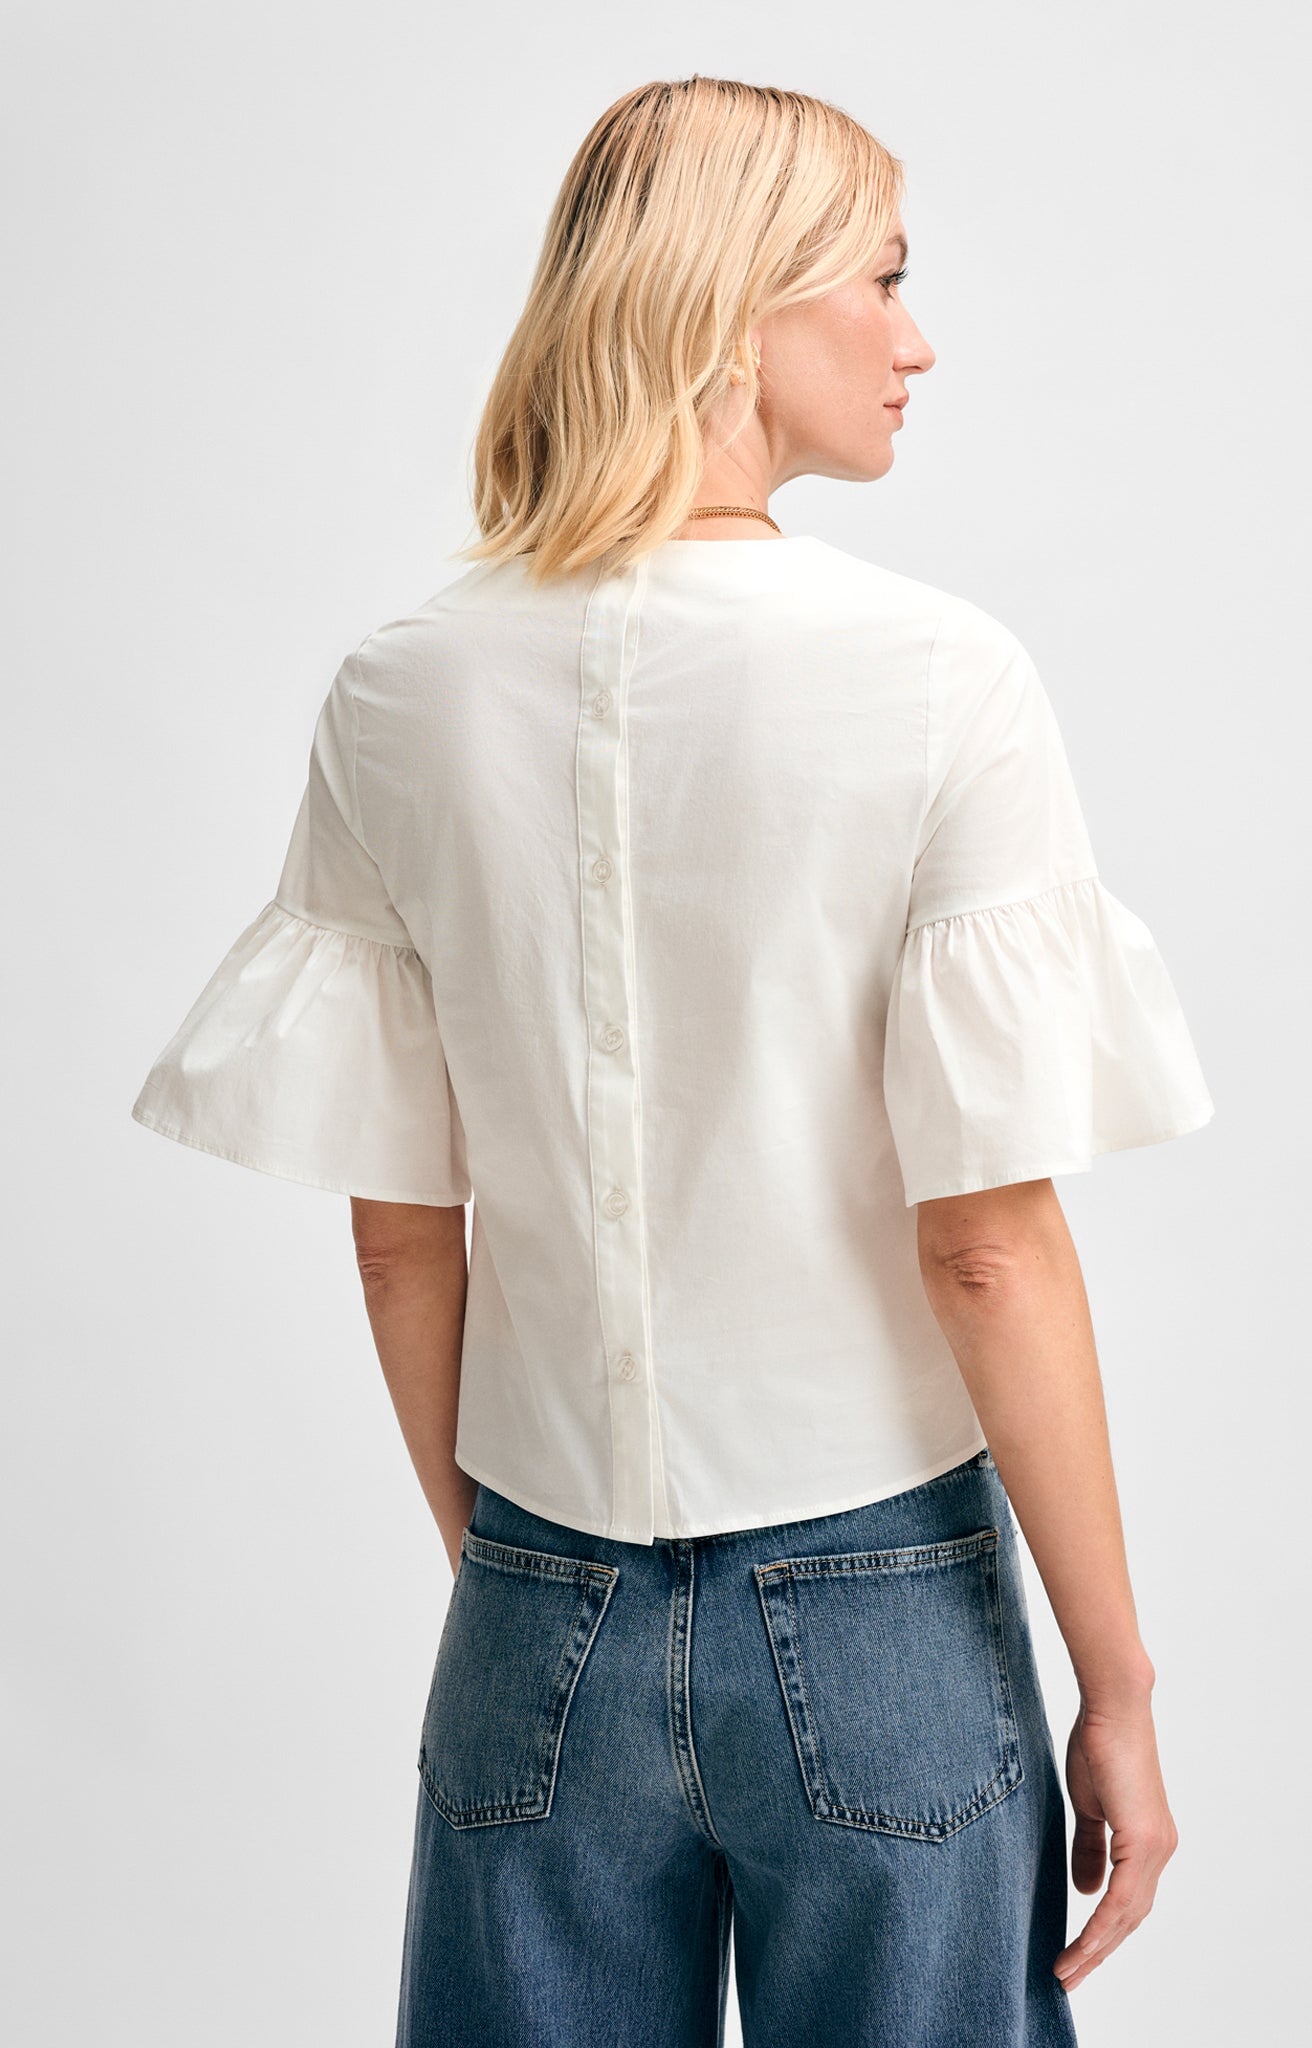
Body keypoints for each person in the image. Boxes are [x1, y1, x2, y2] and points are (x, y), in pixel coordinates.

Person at [130, 75, 1214, 2048]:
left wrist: (532, 1588)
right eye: (882, 279)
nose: (916, 338)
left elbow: (401, 1236)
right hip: (880, 1597)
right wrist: (1119, 1687)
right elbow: (985, 1244)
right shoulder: (942, 680)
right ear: (733, 308)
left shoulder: (399, 690)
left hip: (539, 1592)